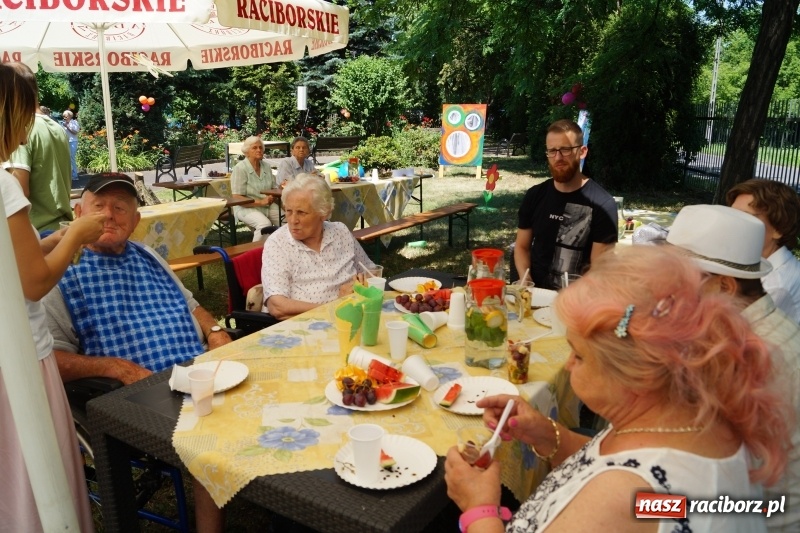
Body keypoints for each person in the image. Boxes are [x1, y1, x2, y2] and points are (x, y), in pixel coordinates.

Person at [445, 245, 792, 532]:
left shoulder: (622, 495)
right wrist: (546, 434)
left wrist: (479, 508)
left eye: (578, 355)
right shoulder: (687, 418)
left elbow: (622, 491)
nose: (567, 365)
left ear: (637, 374)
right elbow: (609, 460)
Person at [42, 172, 232, 533]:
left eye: (120, 208)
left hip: (196, 372)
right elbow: (54, 360)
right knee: (213, 435)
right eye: (99, 207)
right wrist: (119, 369)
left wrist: (216, 332)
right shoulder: (58, 269)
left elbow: (190, 305)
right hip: (135, 396)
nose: (109, 216)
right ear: (78, 212)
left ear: (136, 220)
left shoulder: (146, 254)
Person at [0, 61, 105, 533]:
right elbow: (34, 283)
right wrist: (78, 234)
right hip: (23, 353)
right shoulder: (3, 184)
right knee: (41, 468)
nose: (24, 138)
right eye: (22, 122)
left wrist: (52, 240)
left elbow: (11, 261)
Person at [666, 204, 800, 532]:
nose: (666, 292)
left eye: (677, 280)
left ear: (725, 287)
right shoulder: (749, 329)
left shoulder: (754, 354)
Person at [513, 119, 617, 290]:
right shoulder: (535, 195)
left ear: (582, 152)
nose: (558, 157)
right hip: (534, 295)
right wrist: (526, 281)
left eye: (565, 150)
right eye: (552, 151)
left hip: (577, 302)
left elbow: (599, 269)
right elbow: (522, 247)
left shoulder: (603, 205)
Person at [261, 173, 376, 320]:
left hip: (355, 315)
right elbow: (277, 306)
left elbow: (370, 270)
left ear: (324, 212)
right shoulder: (278, 244)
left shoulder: (340, 232)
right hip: (308, 328)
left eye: (301, 212)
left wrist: (362, 283)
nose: (293, 220)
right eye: (289, 211)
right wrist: (336, 306)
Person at [3, 74, 74, 232]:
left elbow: (18, 190)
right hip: (61, 227)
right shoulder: (56, 127)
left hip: (35, 230)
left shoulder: (24, 127)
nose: (23, 140)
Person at [727, 179, 800, 323]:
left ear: (778, 229)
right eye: (731, 215)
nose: (731, 223)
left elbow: (730, 330)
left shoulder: (775, 286)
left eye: (745, 217)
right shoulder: (754, 261)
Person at [231, 135, 280, 241]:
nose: (259, 150)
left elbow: (273, 188)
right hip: (245, 207)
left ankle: (285, 249)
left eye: (260, 147)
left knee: (286, 219)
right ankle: (256, 254)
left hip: (267, 205)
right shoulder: (240, 168)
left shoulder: (266, 166)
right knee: (264, 224)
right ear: (247, 151)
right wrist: (261, 202)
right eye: (254, 148)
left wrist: (272, 196)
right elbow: (237, 197)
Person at [61, 109, 79, 181]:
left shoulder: (74, 122)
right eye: (63, 116)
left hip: (73, 141)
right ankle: (68, 175)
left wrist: (67, 126)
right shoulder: (62, 123)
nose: (64, 118)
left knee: (71, 157)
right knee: (66, 158)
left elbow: (75, 132)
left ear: (69, 116)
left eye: (65, 116)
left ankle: (75, 175)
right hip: (65, 142)